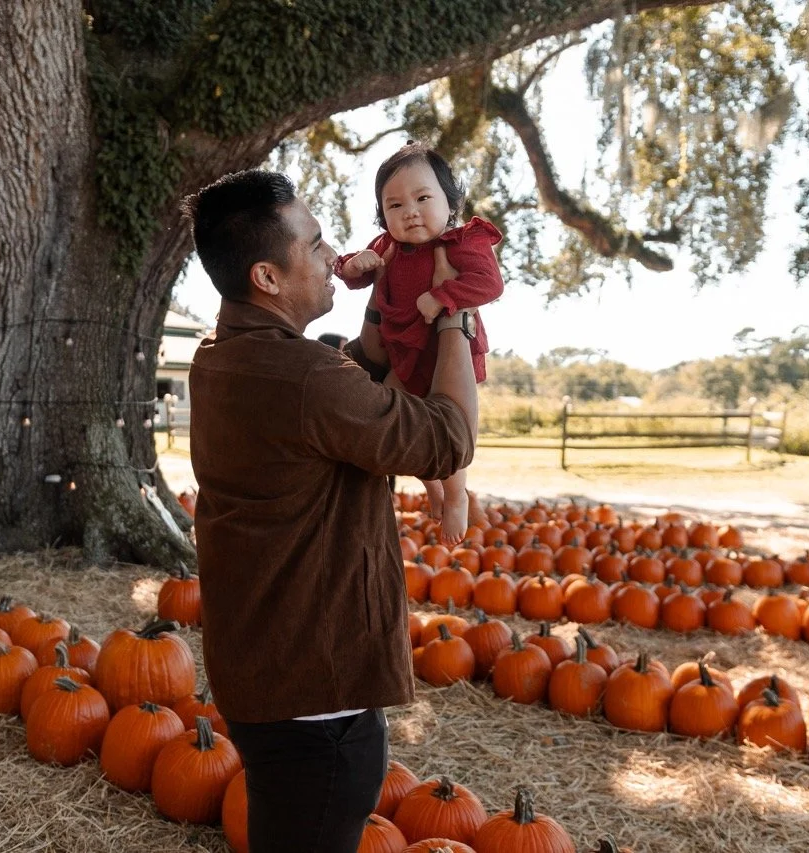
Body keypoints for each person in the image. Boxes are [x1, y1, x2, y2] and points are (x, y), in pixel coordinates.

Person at [183, 169, 477, 853]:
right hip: (319, 704)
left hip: (267, 678)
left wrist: (387, 299)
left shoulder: (222, 356)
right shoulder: (306, 380)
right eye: (313, 244)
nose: (330, 253)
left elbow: (353, 376)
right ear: (267, 277)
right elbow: (447, 437)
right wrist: (458, 311)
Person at [336, 141, 503, 545]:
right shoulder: (388, 246)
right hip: (405, 352)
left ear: (450, 201)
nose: (409, 211)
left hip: (447, 353)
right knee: (396, 417)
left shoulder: (463, 241)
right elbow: (357, 273)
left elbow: (489, 283)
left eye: (422, 198)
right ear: (382, 215)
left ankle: (457, 493)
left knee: (451, 426)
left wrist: (444, 297)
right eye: (394, 205)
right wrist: (354, 266)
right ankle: (433, 488)